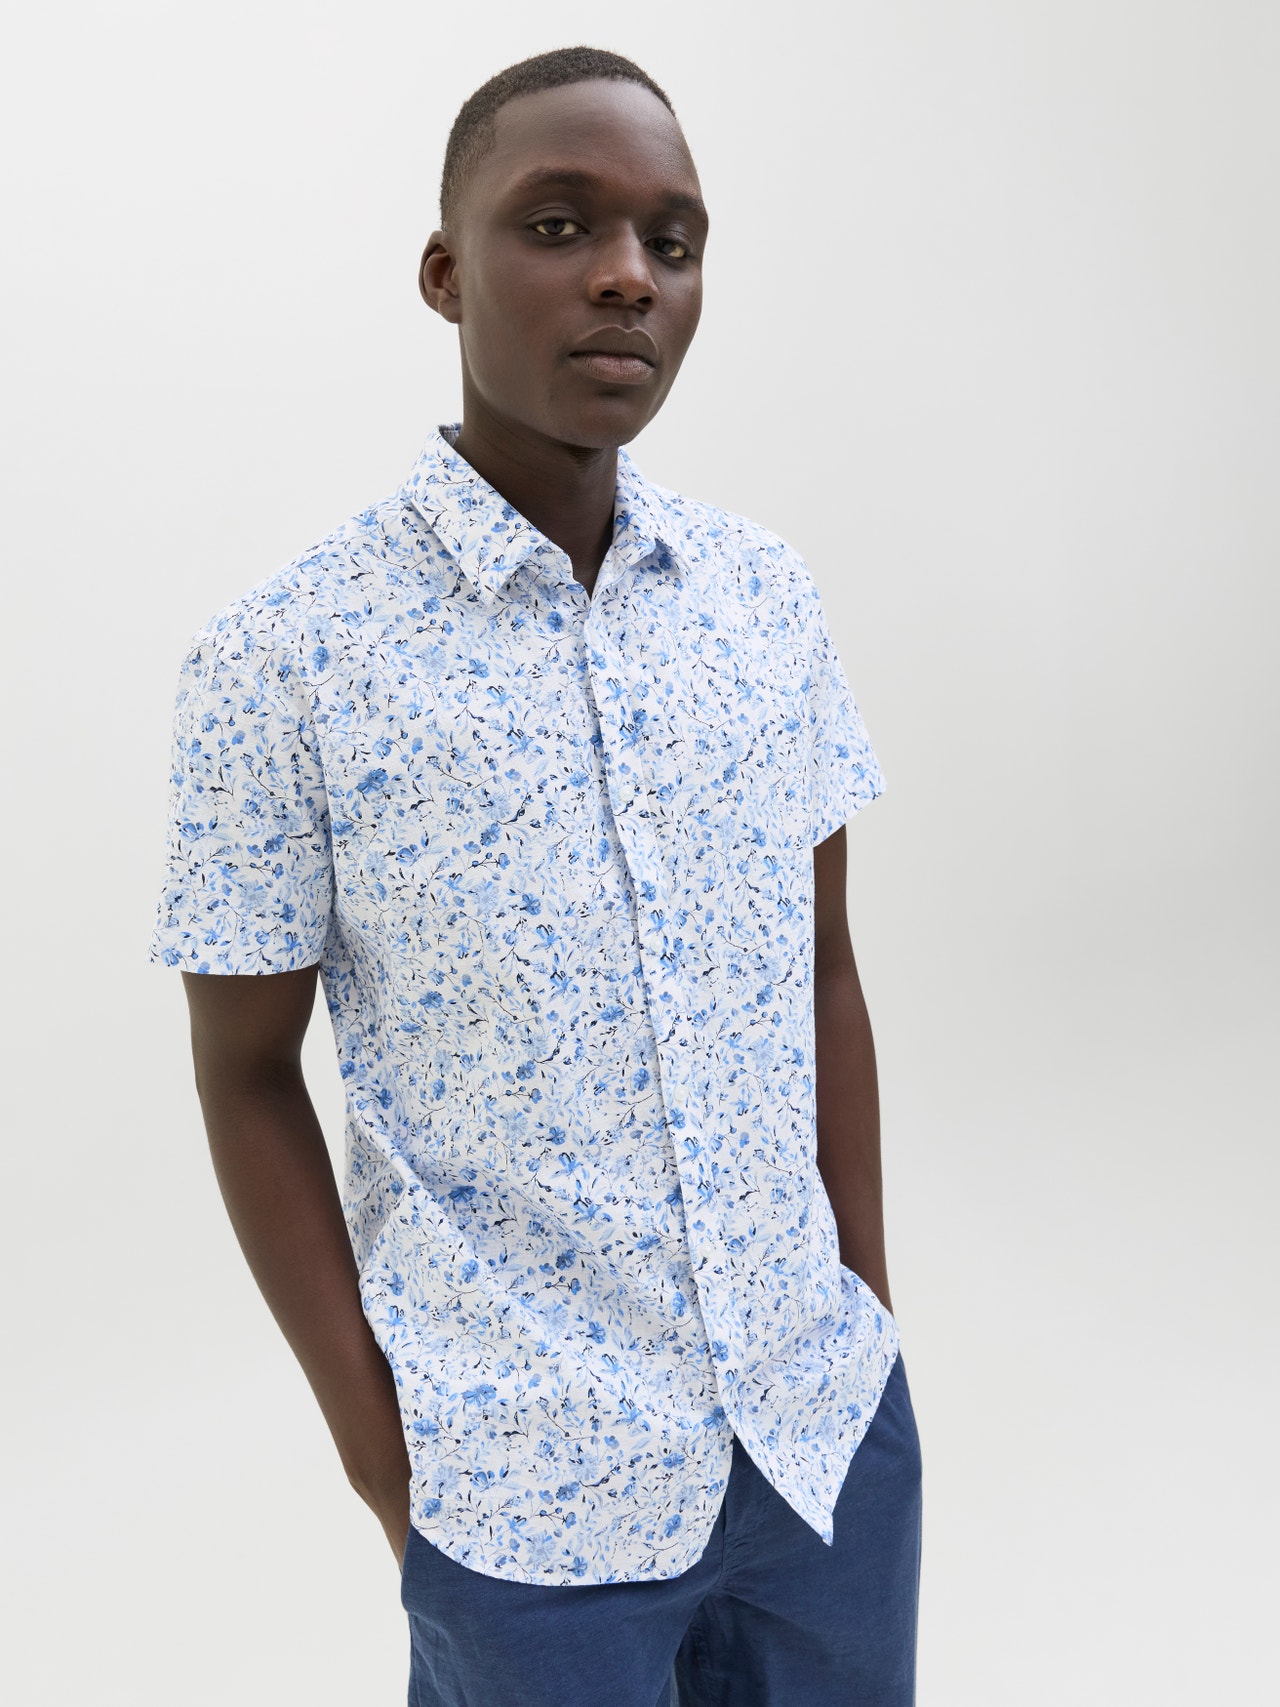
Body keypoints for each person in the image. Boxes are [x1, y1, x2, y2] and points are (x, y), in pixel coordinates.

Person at [150, 45, 922, 1707]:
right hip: (519, 1508)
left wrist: (866, 1315)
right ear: (445, 272)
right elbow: (244, 1074)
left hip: (824, 1451)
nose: (628, 277)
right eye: (560, 226)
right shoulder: (283, 663)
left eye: (673, 241)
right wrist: (386, 1463)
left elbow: (825, 968)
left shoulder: (765, 599)